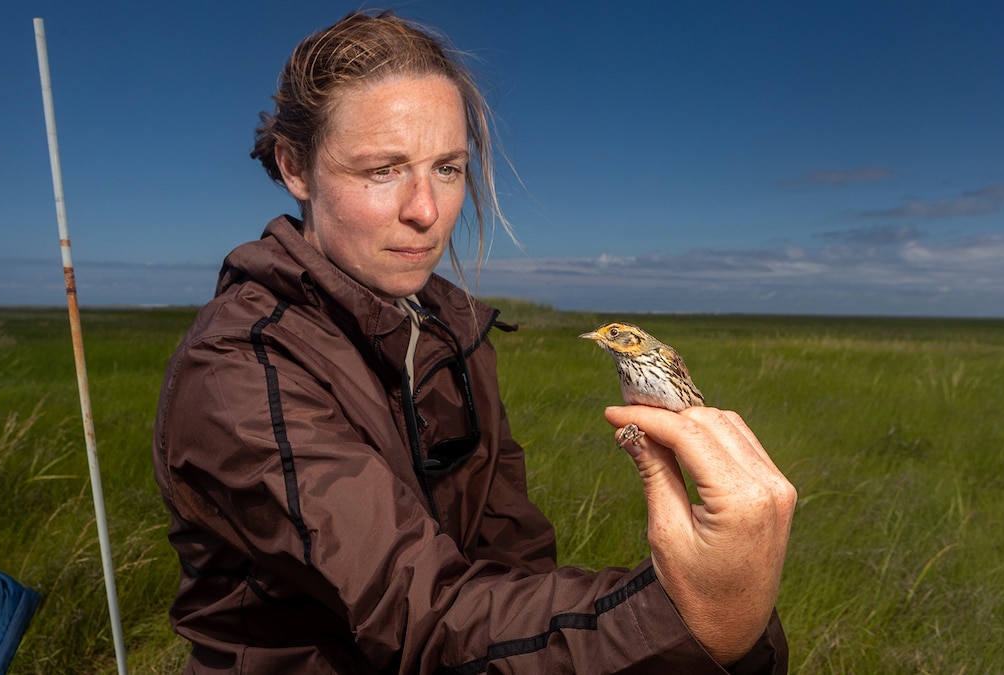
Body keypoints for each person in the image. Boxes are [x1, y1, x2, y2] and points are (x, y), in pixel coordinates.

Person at [152, 10, 796, 674]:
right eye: (383, 169)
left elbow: (513, 563)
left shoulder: (451, 332)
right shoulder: (237, 370)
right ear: (296, 167)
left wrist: (711, 620)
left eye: (449, 168)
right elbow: (417, 612)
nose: (426, 210)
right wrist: (689, 619)